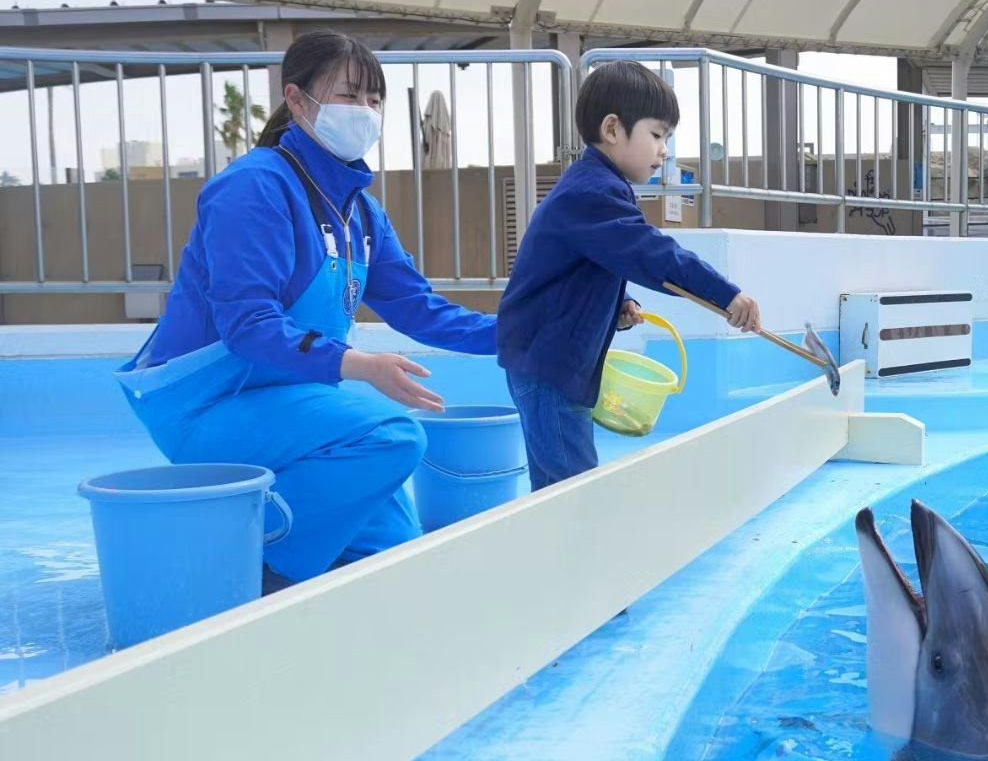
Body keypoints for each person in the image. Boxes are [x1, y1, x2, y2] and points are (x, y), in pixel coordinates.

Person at [116, 31, 497, 591]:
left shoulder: (360, 212)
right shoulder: (253, 188)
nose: (365, 112)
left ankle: (297, 568)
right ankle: (237, 563)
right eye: (349, 96)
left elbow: (419, 308)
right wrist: (361, 365)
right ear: (295, 100)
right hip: (207, 405)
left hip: (287, 398)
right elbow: (247, 325)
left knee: (392, 554)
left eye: (374, 100)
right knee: (392, 437)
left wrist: (525, 333)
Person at [496, 61, 761, 491]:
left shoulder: (594, 187)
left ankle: (558, 555)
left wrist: (618, 305)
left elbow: (579, 271)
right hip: (548, 366)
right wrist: (725, 295)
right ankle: (579, 557)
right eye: (657, 135)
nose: (665, 151)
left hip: (543, 361)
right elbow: (652, 254)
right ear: (614, 129)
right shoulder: (592, 192)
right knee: (575, 497)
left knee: (554, 493)